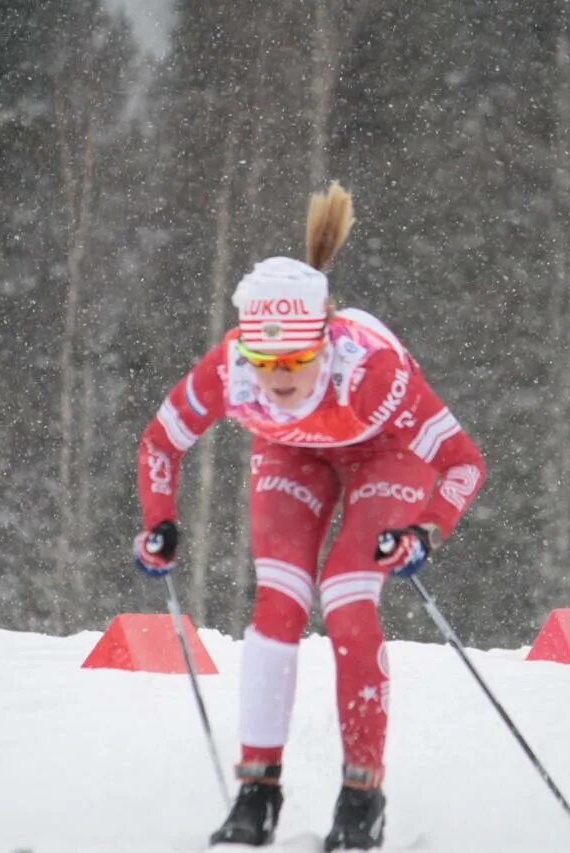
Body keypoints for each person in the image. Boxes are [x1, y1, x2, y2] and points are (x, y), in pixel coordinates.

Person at [132, 183, 486, 850]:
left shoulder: (372, 373)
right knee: (279, 601)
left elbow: (465, 463)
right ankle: (257, 791)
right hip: (292, 454)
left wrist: (426, 530)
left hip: (388, 454)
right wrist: (159, 520)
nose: (280, 377)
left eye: (296, 360)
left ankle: (361, 797)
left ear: (325, 342)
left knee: (347, 598)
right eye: (265, 362)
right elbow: (159, 442)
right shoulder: (232, 369)